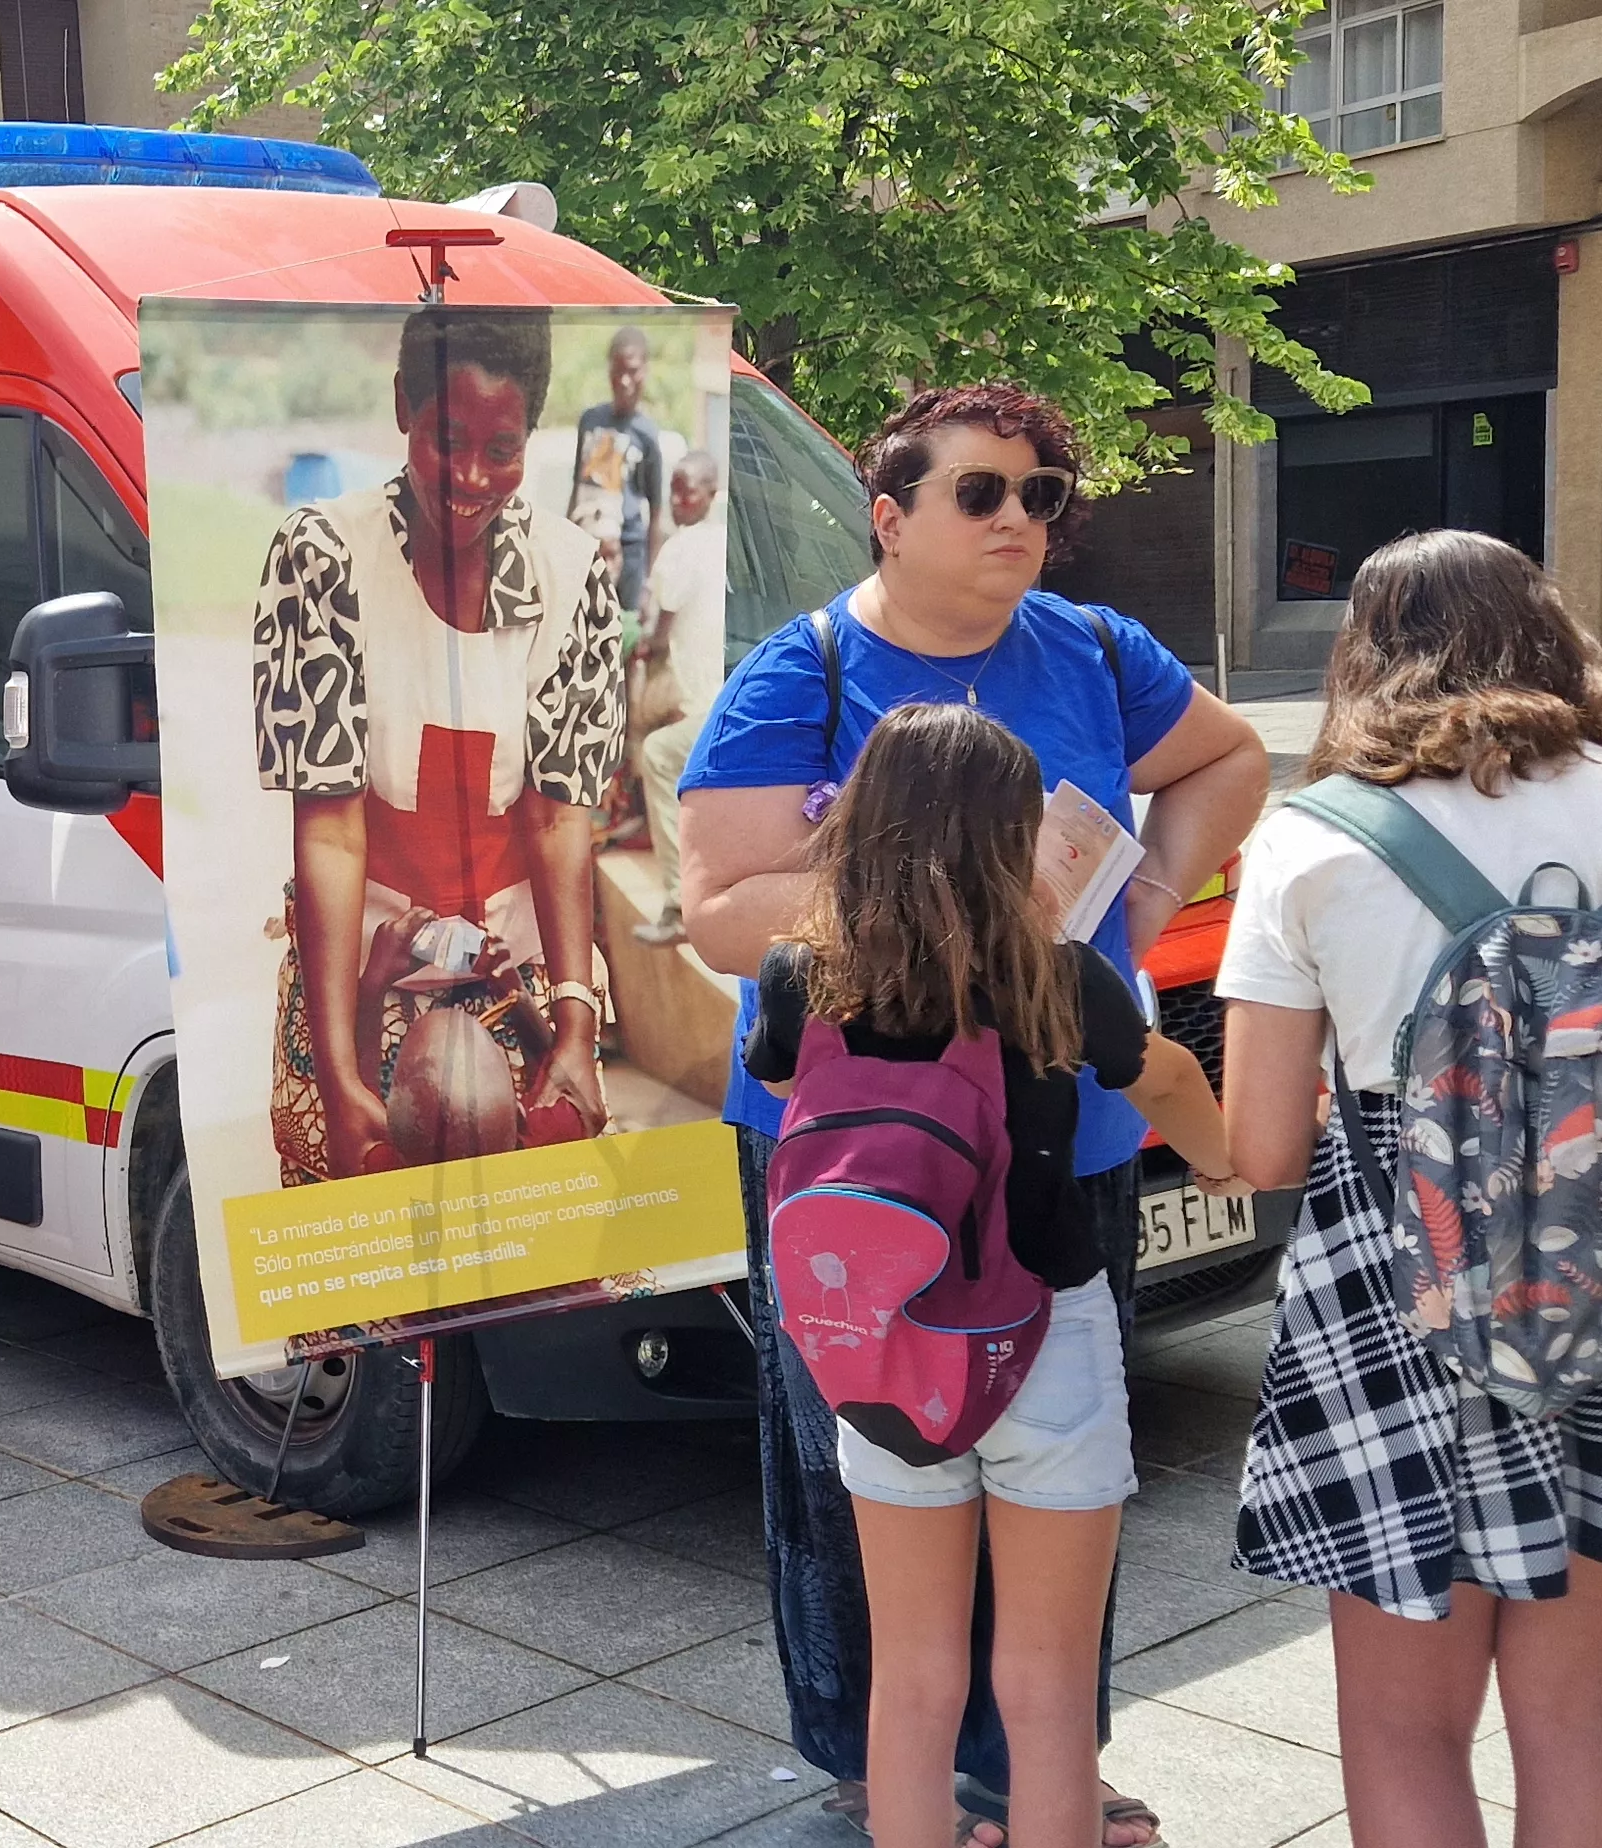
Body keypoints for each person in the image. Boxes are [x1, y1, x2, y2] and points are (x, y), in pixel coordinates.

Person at [676, 381, 1271, 1845]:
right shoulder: (798, 674)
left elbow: (1228, 759)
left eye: (1043, 495)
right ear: (892, 514)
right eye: (984, 493)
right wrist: (938, 902)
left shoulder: (1094, 651)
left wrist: (1144, 891)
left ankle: (1023, 1768)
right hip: (861, 1154)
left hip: (1065, 1139)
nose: (1023, 520)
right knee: (854, 1471)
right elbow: (717, 913)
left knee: (1046, 1474)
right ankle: (888, 1767)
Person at [1216, 529, 1602, 1848]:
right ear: (1555, 638)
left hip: (1399, 1289)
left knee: (1404, 1725)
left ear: (1360, 660)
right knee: (1582, 1709)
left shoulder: (1311, 843)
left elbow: (1261, 1150)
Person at [746, 702, 1245, 1848]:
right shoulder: (1054, 977)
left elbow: (784, 1092)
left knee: (913, 1679)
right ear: (1009, 837)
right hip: (1044, 1339)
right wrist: (1222, 1160)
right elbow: (1162, 1078)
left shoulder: (798, 977)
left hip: (882, 1345)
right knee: (1045, 1685)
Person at [255, 302, 624, 1183]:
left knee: (551, 1260)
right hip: (363, 969)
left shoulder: (572, 575)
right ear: (400, 408)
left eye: (501, 449)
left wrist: (571, 1021)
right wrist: (342, 1069)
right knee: (358, 1264)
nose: (469, 474)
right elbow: (333, 829)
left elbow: (558, 820)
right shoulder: (323, 558)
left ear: (531, 435)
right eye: (442, 436)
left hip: (517, 970)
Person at [630, 450, 729, 936]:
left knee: (653, 751)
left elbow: (656, 637)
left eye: (686, 489)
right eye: (672, 488)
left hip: (701, 707)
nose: (675, 498)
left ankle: (676, 903)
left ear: (711, 494)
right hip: (723, 699)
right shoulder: (724, 542)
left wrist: (636, 645)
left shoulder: (683, 546)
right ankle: (634, 813)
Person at [572, 322, 683, 623]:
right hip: (590, 546)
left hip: (630, 552)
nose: (624, 380)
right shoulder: (591, 421)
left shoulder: (646, 434)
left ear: (645, 370)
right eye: (617, 370)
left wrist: (648, 582)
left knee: (623, 633)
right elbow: (577, 490)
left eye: (632, 370)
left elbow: (656, 511)